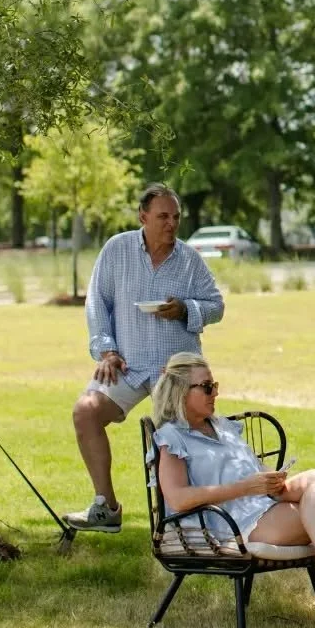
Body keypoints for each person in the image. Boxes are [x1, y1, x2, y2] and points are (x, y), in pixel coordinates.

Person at [151, 353, 315, 628]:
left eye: (215, 384)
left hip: (263, 506)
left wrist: (272, 482)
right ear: (181, 392)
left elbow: (253, 475)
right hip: (233, 525)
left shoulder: (223, 427)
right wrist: (245, 487)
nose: (216, 392)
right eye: (207, 386)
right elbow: (178, 497)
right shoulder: (173, 437)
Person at [65, 184, 224, 532]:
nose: (171, 223)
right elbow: (97, 303)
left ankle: (185, 520)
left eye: (176, 217)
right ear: (143, 216)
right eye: (163, 216)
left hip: (175, 371)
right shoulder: (117, 250)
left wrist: (186, 309)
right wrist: (106, 350)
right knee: (85, 411)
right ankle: (106, 508)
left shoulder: (190, 260)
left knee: (177, 440)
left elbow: (216, 306)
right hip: (127, 364)